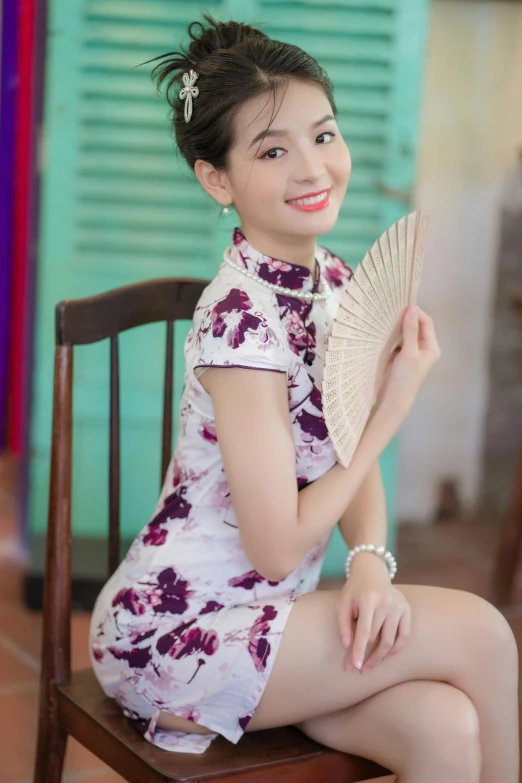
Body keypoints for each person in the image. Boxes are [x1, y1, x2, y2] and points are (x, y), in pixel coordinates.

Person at [89, 15, 519, 782]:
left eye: (323, 135)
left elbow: (345, 451)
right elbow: (280, 545)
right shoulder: (239, 323)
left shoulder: (335, 284)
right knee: (484, 633)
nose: (313, 168)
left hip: (276, 623)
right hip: (179, 633)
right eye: (273, 150)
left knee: (445, 730)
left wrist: (370, 566)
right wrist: (396, 402)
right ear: (216, 180)